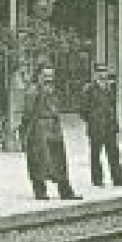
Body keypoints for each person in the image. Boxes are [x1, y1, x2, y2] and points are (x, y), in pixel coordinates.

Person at [21, 67, 80, 201]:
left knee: (59, 160)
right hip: (39, 128)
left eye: (51, 75)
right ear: (39, 76)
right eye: (46, 75)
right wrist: (27, 132)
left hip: (54, 127)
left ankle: (65, 191)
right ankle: (40, 192)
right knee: (39, 161)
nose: (49, 78)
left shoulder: (52, 91)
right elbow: (28, 113)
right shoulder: (33, 91)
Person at [81, 64, 122, 190]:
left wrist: (116, 126)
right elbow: (83, 109)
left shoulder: (109, 88)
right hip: (96, 127)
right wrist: (92, 120)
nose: (103, 74)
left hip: (109, 126)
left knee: (114, 154)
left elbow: (112, 108)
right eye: (100, 72)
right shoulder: (89, 89)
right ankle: (97, 180)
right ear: (95, 74)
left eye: (105, 72)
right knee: (96, 154)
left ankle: (118, 179)